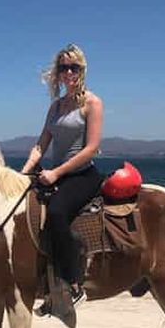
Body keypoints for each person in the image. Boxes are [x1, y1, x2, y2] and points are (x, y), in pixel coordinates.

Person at [21, 44, 104, 313]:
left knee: (56, 213)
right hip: (55, 175)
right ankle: (47, 287)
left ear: (82, 70)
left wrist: (56, 172)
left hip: (81, 176)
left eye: (74, 67)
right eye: (63, 67)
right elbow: (40, 144)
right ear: (57, 73)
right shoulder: (55, 107)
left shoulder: (92, 103)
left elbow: (91, 148)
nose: (68, 72)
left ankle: (72, 285)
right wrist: (25, 171)